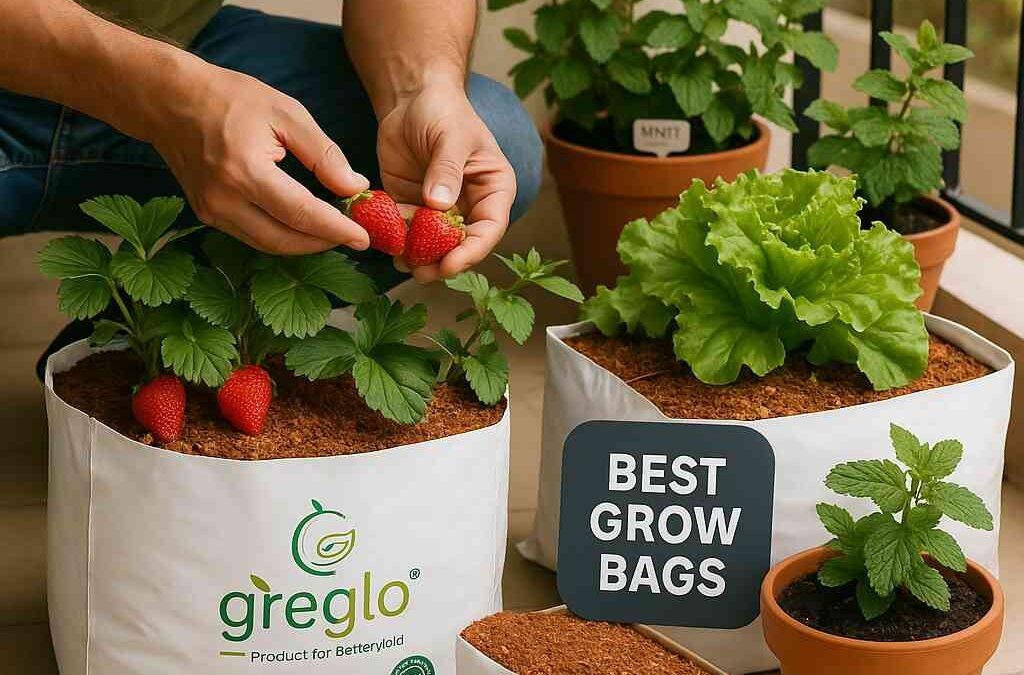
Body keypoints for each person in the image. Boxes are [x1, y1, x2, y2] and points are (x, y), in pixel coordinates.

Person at [0, 0, 542, 323]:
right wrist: (166, 95)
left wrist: (420, 86)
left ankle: (149, 355)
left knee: (490, 133)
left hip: (170, 44)